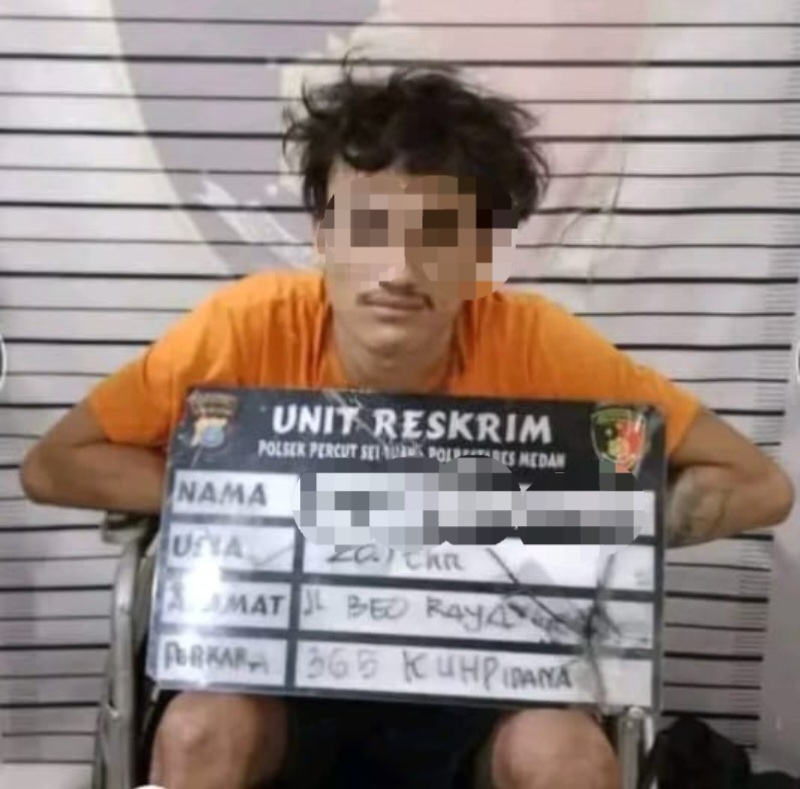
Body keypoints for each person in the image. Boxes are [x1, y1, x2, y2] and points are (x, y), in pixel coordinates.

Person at [20, 60, 793, 789]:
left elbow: (759, 485)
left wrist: (581, 515)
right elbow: (57, 464)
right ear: (322, 235)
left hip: (483, 685)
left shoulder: (536, 344)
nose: (397, 270)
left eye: (437, 234)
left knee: (569, 757)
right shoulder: (246, 328)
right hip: (274, 674)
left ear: (483, 252)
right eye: (368, 228)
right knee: (197, 733)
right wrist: (258, 494)